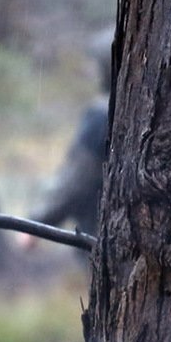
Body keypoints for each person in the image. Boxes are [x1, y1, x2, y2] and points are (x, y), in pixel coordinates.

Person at [29, 33, 112, 236]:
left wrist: (38, 222)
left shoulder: (102, 116)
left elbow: (77, 178)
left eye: (94, 63)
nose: (89, 70)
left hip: (104, 237)